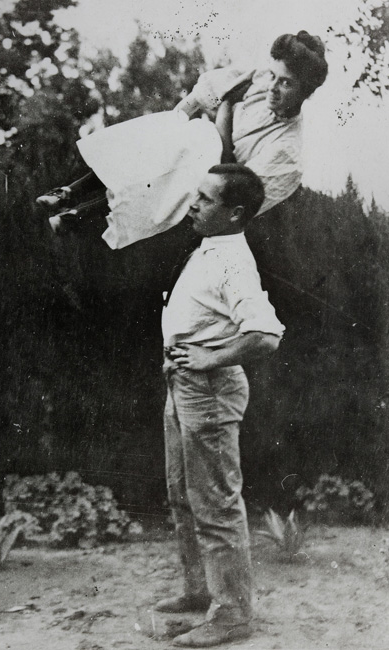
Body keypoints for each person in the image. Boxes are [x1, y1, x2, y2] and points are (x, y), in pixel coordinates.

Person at [38, 31, 327, 249]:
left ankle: (77, 214)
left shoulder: (287, 153)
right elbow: (204, 93)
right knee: (170, 140)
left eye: (286, 83)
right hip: (191, 153)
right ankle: (69, 194)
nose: (272, 88)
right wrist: (171, 125)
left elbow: (234, 192)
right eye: (273, 76)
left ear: (306, 92)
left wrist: (225, 110)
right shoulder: (260, 80)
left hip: (208, 193)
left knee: (193, 151)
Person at [158, 163, 285, 647]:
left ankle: (232, 614)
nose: (193, 203)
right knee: (182, 495)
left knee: (215, 505)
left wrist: (209, 358)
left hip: (207, 389)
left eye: (206, 199)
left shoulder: (233, 261)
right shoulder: (210, 247)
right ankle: (200, 593)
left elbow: (266, 335)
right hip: (182, 383)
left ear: (234, 214)